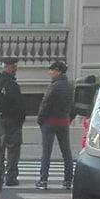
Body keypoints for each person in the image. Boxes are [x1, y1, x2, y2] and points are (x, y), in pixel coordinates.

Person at [36, 61, 74, 190]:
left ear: (57, 71)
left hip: (50, 121)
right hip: (64, 121)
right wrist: (69, 118)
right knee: (66, 152)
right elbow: (72, 104)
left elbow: (45, 104)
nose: (49, 73)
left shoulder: (53, 86)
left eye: (51, 70)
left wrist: (40, 119)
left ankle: (43, 180)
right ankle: (68, 180)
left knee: (46, 152)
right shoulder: (70, 86)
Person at [0, 57, 26, 186]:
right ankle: (11, 177)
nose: (15, 69)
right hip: (12, 121)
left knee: (0, 150)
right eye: (13, 67)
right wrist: (20, 119)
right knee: (13, 150)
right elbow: (18, 104)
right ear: (7, 67)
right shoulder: (11, 84)